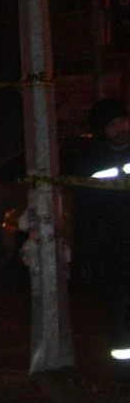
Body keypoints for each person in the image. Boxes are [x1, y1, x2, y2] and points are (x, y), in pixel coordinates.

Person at [75, 98, 130, 361]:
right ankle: (124, 376)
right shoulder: (91, 164)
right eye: (112, 124)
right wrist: (85, 254)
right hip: (113, 253)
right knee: (118, 312)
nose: (120, 127)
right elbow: (85, 210)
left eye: (121, 120)